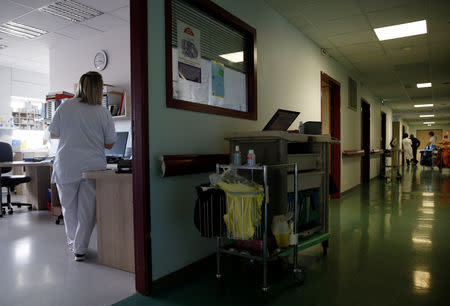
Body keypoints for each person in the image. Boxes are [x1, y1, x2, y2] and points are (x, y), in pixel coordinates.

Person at [49, 71, 116, 262]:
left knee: (69, 210)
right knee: (88, 212)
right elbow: (110, 144)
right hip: (92, 168)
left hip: (66, 165)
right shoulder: (102, 112)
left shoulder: (65, 107)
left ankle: (74, 244)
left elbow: (54, 134)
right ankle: (80, 248)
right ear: (99, 88)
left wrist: (73, 132)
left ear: (80, 86)